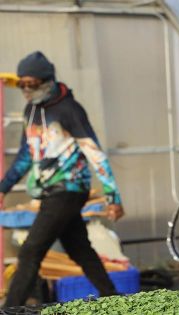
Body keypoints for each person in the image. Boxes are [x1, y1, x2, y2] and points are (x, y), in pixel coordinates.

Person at [0, 51, 125, 307]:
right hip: (50, 191)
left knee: (31, 250)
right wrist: (4, 187)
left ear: (47, 81)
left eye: (31, 84)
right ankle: (114, 301)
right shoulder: (30, 111)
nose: (25, 90)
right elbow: (26, 154)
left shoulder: (69, 110)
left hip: (69, 188)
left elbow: (95, 152)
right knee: (80, 249)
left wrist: (113, 196)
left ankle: (10, 309)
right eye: (21, 84)